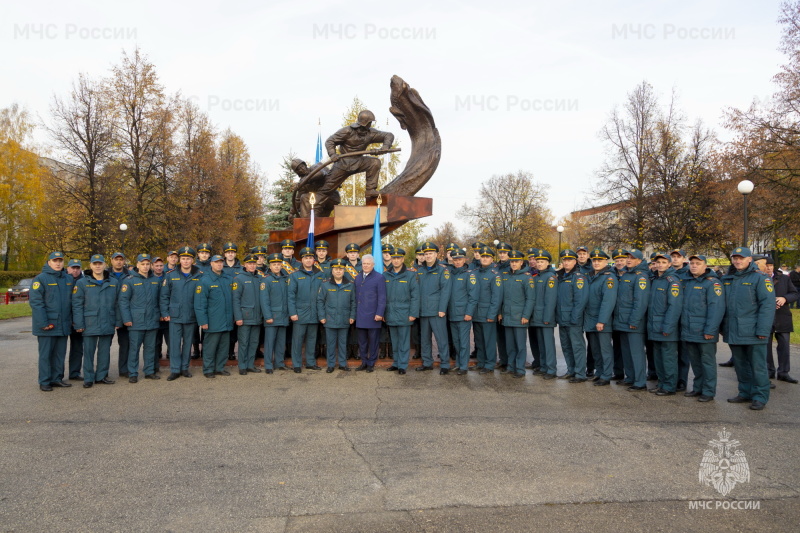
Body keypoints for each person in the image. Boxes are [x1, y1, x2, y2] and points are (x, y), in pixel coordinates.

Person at [723, 247, 775, 410]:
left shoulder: (760, 278)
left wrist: (762, 330)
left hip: (753, 331)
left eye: (741, 258)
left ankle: (760, 396)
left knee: (758, 366)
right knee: (740, 364)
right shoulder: (728, 278)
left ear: (749, 260)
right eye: (735, 258)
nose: (738, 261)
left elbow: (767, 306)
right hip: (734, 330)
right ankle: (745, 392)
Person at [320, 110, 394, 200]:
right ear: (365, 123)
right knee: (326, 189)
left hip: (359, 161)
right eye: (370, 123)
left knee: (375, 162)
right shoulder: (347, 131)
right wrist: (332, 154)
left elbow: (388, 135)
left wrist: (385, 146)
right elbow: (330, 141)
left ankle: (370, 189)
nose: (370, 125)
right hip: (343, 163)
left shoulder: (370, 133)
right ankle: (313, 205)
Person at [681, 254, 725, 402]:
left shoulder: (712, 283)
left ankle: (708, 391)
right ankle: (697, 387)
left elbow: (716, 309)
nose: (693, 266)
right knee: (695, 362)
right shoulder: (687, 282)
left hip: (704, 331)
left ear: (705, 265)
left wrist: (710, 330)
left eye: (697, 263)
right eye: (692, 263)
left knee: (707, 362)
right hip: (689, 329)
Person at [72, 255, 119, 388]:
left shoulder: (113, 282)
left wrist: (118, 320)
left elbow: (118, 303)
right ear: (91, 266)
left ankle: (101, 376)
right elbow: (77, 304)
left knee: (105, 351)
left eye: (100, 264)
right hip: (89, 322)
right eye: (95, 264)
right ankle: (88, 378)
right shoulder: (81, 283)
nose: (98, 266)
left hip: (108, 321)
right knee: (88, 352)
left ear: (105, 265)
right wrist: (79, 323)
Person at [30, 251, 74, 391]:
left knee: (60, 354)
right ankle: (44, 381)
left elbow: (73, 303)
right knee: (46, 355)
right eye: (55, 261)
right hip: (48, 325)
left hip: (63, 324)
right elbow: (36, 303)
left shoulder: (68, 279)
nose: (58, 263)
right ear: (49, 262)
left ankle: (57, 378)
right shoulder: (40, 279)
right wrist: (43, 323)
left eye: (60, 260)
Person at [160, 246, 203, 381]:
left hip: (191, 315)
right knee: (174, 343)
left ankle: (185, 368)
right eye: (183, 259)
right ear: (179, 260)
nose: (185, 261)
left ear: (192, 260)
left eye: (188, 259)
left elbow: (202, 297)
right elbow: (164, 296)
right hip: (175, 315)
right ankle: (174, 369)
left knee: (187, 343)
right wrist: (165, 312)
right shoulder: (171, 275)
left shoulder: (199, 276)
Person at [119, 254, 162, 383]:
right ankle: (132, 372)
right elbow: (123, 301)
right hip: (136, 321)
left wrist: (159, 315)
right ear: (137, 265)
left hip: (152, 320)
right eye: (142, 264)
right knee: (134, 349)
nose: (145, 266)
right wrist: (126, 318)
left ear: (151, 265)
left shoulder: (156, 280)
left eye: (147, 264)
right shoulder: (129, 280)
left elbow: (160, 300)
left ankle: (149, 371)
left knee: (150, 348)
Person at [646, 252, 684, 396]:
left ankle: (669, 386)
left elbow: (674, 306)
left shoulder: (672, 281)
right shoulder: (656, 279)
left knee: (668, 359)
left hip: (666, 327)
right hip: (654, 326)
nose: (660, 265)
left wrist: (668, 326)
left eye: (663, 262)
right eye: (658, 262)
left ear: (669, 264)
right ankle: (661, 383)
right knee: (658, 358)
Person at [613, 249, 651, 391]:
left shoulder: (641, 277)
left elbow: (640, 302)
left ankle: (640, 381)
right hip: (622, 321)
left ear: (640, 261)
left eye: (632, 258)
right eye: (628, 257)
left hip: (633, 322)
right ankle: (630, 377)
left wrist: (634, 321)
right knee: (626, 352)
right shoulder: (626, 274)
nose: (629, 259)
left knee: (636, 353)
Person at [195, 255, 234, 378]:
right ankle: (208, 369)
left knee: (223, 347)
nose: (219, 264)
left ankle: (219, 368)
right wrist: (203, 321)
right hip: (213, 321)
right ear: (211, 264)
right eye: (216, 262)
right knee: (210, 348)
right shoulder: (205, 280)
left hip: (226, 320)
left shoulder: (228, 279)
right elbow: (200, 303)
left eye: (221, 262)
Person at [415, 242, 452, 372]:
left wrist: (442, 309)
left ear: (436, 254)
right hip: (423, 311)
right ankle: (427, 362)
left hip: (437, 312)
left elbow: (445, 291)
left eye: (431, 253)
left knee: (441, 338)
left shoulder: (443, 270)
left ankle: (445, 364)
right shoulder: (420, 271)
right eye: (426, 254)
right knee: (425, 339)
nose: (428, 256)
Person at [583, 249, 618, 386]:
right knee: (595, 349)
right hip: (590, 318)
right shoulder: (591, 276)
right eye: (594, 260)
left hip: (602, 320)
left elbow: (608, 301)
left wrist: (602, 320)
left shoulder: (609, 278)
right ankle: (599, 372)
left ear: (606, 262)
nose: (596, 263)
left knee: (605, 349)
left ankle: (606, 375)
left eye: (600, 260)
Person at [383, 248, 420, 375]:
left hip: (405, 313)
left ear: (403, 259)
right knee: (394, 340)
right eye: (394, 258)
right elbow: (382, 297)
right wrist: (383, 313)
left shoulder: (410, 275)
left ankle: (403, 365)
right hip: (390, 313)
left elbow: (415, 296)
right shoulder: (386, 275)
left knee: (404, 341)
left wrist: (413, 313)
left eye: (398, 258)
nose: (396, 260)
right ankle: (396, 362)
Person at [499, 250, 535, 378]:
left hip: (520, 317)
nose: (514, 264)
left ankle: (520, 369)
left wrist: (526, 315)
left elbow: (530, 299)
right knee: (510, 345)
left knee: (520, 345)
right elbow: (501, 297)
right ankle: (510, 366)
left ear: (521, 262)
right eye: (512, 261)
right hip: (507, 316)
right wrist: (500, 312)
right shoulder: (506, 276)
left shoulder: (527, 278)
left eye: (516, 261)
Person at [288, 247, 324, 372]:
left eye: (310, 258)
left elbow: (323, 296)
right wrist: (292, 313)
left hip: (314, 313)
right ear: (301, 260)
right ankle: (297, 364)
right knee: (297, 341)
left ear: (314, 260)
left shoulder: (320, 275)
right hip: (300, 313)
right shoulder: (295, 275)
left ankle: (310, 362)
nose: (308, 260)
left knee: (311, 340)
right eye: (305, 258)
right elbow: (291, 296)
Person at [556, 249, 589, 382]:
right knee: (566, 346)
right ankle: (571, 370)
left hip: (573, 319)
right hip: (562, 318)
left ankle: (580, 373)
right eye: (564, 260)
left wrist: (575, 318)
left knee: (577, 347)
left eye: (569, 260)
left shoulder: (578, 277)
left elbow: (580, 300)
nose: (567, 262)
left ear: (575, 261)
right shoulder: (561, 276)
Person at [764, 256, 799, 383]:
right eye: (766, 265)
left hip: (782, 316)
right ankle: (769, 371)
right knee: (766, 346)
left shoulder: (784, 278)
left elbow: (794, 293)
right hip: (766, 318)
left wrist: (784, 298)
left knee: (784, 346)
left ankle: (784, 372)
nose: (768, 268)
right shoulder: (759, 278)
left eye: (771, 265)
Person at [318, 258, 356, 372]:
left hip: (345, 318)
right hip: (330, 318)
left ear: (344, 270)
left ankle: (343, 364)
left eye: (340, 269)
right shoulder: (325, 285)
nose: (338, 271)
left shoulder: (350, 285)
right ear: (332, 270)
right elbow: (320, 301)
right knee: (330, 343)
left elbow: (353, 302)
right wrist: (322, 316)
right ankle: (330, 365)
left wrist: (352, 316)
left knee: (343, 343)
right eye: (336, 269)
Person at [446, 248, 478, 375]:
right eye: (455, 260)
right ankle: (458, 363)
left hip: (464, 314)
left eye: (459, 259)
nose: (457, 262)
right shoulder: (451, 273)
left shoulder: (470, 275)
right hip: (452, 313)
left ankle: (464, 366)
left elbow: (473, 296)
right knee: (456, 342)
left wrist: (469, 313)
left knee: (464, 342)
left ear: (464, 260)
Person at [471, 246, 502, 374]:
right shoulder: (475, 272)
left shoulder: (495, 275)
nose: (484, 259)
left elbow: (497, 297)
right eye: (482, 257)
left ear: (492, 259)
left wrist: (492, 314)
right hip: (476, 312)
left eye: (487, 257)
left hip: (487, 313)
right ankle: (481, 361)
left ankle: (489, 364)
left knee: (489, 340)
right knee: (479, 340)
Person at [353, 254, 386, 372]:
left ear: (373, 265)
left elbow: (382, 297)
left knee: (373, 342)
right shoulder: (357, 277)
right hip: (360, 315)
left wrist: (379, 313)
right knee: (362, 342)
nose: (366, 266)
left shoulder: (379, 277)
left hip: (373, 316)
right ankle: (364, 362)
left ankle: (371, 363)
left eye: (368, 264)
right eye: (364, 264)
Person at [232, 254, 264, 375]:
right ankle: (242, 366)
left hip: (256, 317)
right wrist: (238, 317)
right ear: (245, 265)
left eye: (254, 263)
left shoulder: (259, 278)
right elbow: (236, 300)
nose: (252, 265)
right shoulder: (239, 278)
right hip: (244, 317)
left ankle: (250, 365)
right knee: (244, 342)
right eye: (250, 263)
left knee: (254, 343)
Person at [529, 249, 558, 379]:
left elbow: (550, 300)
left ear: (547, 263)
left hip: (546, 317)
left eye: (542, 262)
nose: (539, 264)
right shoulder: (537, 276)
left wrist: (547, 317)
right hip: (537, 316)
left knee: (548, 344)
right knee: (541, 343)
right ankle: (543, 366)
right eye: (538, 261)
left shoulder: (550, 277)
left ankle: (551, 369)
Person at [261, 253, 290, 373]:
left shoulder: (285, 279)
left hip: (283, 316)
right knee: (269, 343)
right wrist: (267, 316)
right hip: (272, 317)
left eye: (279, 264)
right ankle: (268, 365)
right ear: (270, 266)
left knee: (280, 342)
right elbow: (264, 300)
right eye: (274, 264)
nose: (277, 267)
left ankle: (279, 363)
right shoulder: (266, 280)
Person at [107, 252, 131, 377]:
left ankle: (124, 369)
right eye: (116, 260)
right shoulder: (105, 274)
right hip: (109, 314)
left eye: (121, 259)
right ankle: (102, 371)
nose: (119, 262)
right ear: (111, 261)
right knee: (105, 345)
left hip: (125, 314)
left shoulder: (130, 275)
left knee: (125, 344)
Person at [66, 258, 84, 381]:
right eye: (73, 268)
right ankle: (57, 376)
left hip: (78, 320)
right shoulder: (63, 281)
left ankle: (74, 373)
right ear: (68, 268)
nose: (75, 270)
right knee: (59, 350)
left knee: (77, 349)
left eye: (77, 268)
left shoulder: (84, 282)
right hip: (65, 319)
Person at [151, 257, 169, 364]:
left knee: (170, 339)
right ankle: (156, 358)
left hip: (166, 314)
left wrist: (164, 312)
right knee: (156, 340)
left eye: (161, 266)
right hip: (154, 315)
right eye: (156, 266)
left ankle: (171, 356)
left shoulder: (168, 277)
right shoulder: (149, 278)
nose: (159, 268)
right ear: (152, 266)